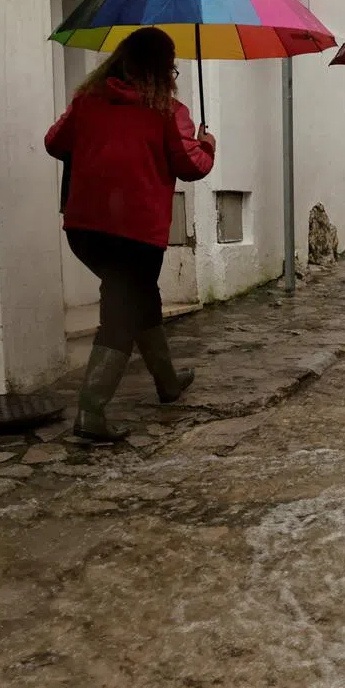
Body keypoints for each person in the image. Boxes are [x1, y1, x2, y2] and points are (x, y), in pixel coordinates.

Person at [45, 27, 216, 442]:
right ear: (163, 69)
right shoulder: (168, 112)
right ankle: (91, 412)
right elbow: (192, 166)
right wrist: (206, 144)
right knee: (120, 313)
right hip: (136, 232)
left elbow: (54, 142)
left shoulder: (87, 101)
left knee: (139, 298)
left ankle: (168, 383)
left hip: (84, 228)